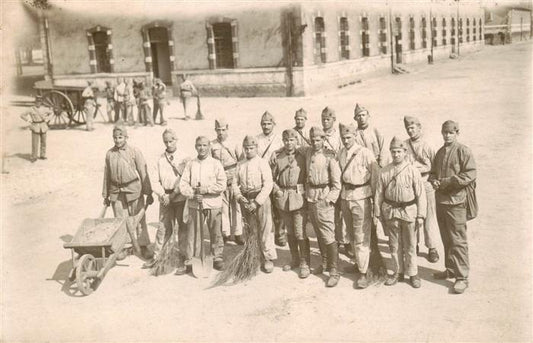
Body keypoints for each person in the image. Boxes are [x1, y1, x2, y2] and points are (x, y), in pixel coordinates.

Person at [429, 120, 476, 294]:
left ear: (457, 133)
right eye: (444, 132)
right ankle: (450, 269)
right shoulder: (440, 152)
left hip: (457, 202)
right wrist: (433, 180)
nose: (447, 135)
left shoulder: (463, 151)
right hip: (441, 201)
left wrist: (449, 181)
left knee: (458, 240)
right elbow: (433, 172)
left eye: (450, 132)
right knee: (446, 238)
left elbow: (470, 174)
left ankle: (462, 277)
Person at [375, 137, 427, 289]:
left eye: (399, 151)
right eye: (393, 152)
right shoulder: (384, 171)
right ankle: (398, 272)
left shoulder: (413, 171)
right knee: (394, 244)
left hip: (409, 211)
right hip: (391, 211)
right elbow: (379, 194)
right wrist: (377, 214)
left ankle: (413, 273)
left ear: (405, 152)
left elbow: (421, 194)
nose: (396, 155)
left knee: (410, 244)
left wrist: (421, 215)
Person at [102, 124, 154, 259]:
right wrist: (105, 194)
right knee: (120, 220)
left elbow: (143, 171)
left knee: (138, 218)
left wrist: (148, 192)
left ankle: (143, 245)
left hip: (133, 189)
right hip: (116, 192)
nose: (118, 140)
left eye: (120, 137)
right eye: (115, 138)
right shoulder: (109, 154)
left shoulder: (134, 151)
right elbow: (107, 174)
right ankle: (125, 247)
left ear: (126, 137)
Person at [338, 122, 379, 289]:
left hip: (362, 197)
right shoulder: (341, 153)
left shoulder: (365, 153)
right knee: (352, 235)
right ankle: (358, 264)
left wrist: (376, 203)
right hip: (346, 196)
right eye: (343, 137)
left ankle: (363, 273)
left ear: (355, 136)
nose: (346, 140)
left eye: (348, 137)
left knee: (362, 235)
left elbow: (375, 178)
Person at [143, 129, 189, 270]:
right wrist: (162, 195)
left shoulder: (184, 158)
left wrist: (173, 195)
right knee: (163, 229)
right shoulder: (160, 159)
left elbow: (185, 178)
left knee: (182, 228)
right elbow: (154, 180)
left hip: (179, 197)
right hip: (165, 198)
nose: (169, 144)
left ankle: (184, 257)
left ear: (176, 140)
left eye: (171, 141)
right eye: (166, 141)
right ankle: (158, 256)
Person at [179, 136, 227, 271]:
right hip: (195, 204)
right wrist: (193, 194)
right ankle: (192, 259)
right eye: (199, 145)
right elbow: (183, 184)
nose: (202, 148)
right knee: (193, 233)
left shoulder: (216, 164)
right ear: (195, 146)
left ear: (209, 146)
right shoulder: (191, 164)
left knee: (215, 231)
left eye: (205, 145)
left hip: (213, 203)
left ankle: (217, 257)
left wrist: (206, 190)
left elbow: (222, 184)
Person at [233, 135, 277, 273]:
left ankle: (268, 257)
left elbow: (268, 184)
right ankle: (253, 255)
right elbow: (234, 183)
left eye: (251, 148)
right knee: (250, 229)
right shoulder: (240, 164)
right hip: (245, 200)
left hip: (261, 200)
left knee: (265, 228)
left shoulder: (262, 163)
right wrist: (239, 196)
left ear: (256, 148)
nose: (248, 151)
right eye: (246, 148)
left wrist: (257, 201)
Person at [304, 127, 342, 287]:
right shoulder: (307, 152)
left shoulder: (329, 157)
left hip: (324, 198)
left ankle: (334, 270)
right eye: (312, 139)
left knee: (328, 235)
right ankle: (325, 262)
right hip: (311, 197)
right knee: (319, 233)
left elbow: (337, 184)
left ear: (323, 140)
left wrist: (329, 199)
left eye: (318, 140)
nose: (315, 142)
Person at [270, 129, 309, 278]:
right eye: (286, 140)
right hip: (283, 198)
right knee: (290, 231)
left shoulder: (303, 155)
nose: (289, 143)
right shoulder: (278, 158)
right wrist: (277, 191)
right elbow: (271, 178)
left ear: (296, 141)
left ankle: (305, 262)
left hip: (299, 198)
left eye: (292, 140)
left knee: (300, 232)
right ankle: (295, 259)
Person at [403, 116, 440, 263]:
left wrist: (433, 178)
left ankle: (432, 247)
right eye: (408, 128)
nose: (410, 131)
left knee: (429, 216)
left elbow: (436, 166)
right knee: (412, 216)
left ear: (419, 127)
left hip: (426, 183)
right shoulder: (404, 145)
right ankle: (414, 244)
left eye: (412, 128)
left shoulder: (428, 145)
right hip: (411, 185)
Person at [321, 107, 352, 257]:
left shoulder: (339, 136)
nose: (325, 122)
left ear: (334, 120)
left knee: (343, 213)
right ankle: (335, 241)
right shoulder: (319, 135)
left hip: (339, 174)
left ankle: (346, 242)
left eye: (328, 119)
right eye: (323, 119)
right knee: (331, 213)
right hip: (326, 177)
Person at [211, 118, 244, 245]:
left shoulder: (234, 142)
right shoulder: (212, 145)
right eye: (218, 130)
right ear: (215, 130)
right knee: (223, 207)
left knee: (236, 207)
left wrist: (238, 177)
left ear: (227, 129)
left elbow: (240, 160)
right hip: (220, 178)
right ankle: (225, 233)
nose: (221, 133)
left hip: (234, 177)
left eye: (223, 130)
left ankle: (238, 233)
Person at [256, 111, 285, 246]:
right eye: (264, 124)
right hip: (262, 178)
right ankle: (267, 235)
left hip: (276, 177)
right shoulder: (256, 139)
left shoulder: (279, 139)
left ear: (274, 124)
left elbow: (287, 148)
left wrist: (276, 151)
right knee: (265, 207)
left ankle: (280, 233)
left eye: (269, 124)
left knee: (279, 206)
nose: (266, 127)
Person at [353, 104, 389, 168]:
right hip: (362, 167)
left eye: (363, 115)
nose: (361, 117)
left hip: (377, 164)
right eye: (359, 116)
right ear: (355, 118)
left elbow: (384, 149)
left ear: (368, 116)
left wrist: (381, 166)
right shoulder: (354, 135)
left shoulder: (375, 131)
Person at [20, 95, 53, 162]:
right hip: (35, 126)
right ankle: (34, 157)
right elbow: (22, 115)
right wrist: (28, 120)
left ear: (41, 102)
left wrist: (48, 119)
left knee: (43, 142)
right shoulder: (31, 109)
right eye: (37, 102)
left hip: (43, 126)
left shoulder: (44, 108)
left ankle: (42, 155)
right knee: (35, 143)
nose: (38, 103)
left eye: (40, 102)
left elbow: (52, 113)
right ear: (35, 102)